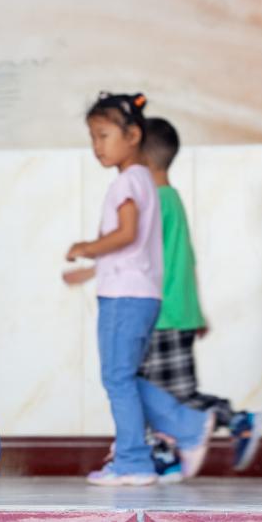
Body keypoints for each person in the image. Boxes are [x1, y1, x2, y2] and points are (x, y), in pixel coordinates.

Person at [63, 93, 213, 486]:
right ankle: (187, 426)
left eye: (104, 135)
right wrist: (93, 269)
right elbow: (137, 246)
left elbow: (126, 234)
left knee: (117, 378)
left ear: (133, 136)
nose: (97, 146)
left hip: (124, 296)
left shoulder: (127, 182)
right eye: (93, 137)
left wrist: (87, 247)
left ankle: (134, 460)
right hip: (143, 294)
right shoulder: (146, 179)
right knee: (123, 376)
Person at [137, 117, 262, 473]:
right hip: (178, 310)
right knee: (155, 390)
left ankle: (237, 420)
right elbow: (186, 259)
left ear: (143, 157)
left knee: (169, 393)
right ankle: (165, 454)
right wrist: (198, 310)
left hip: (163, 315)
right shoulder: (171, 198)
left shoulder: (156, 202)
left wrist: (91, 270)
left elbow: (140, 257)